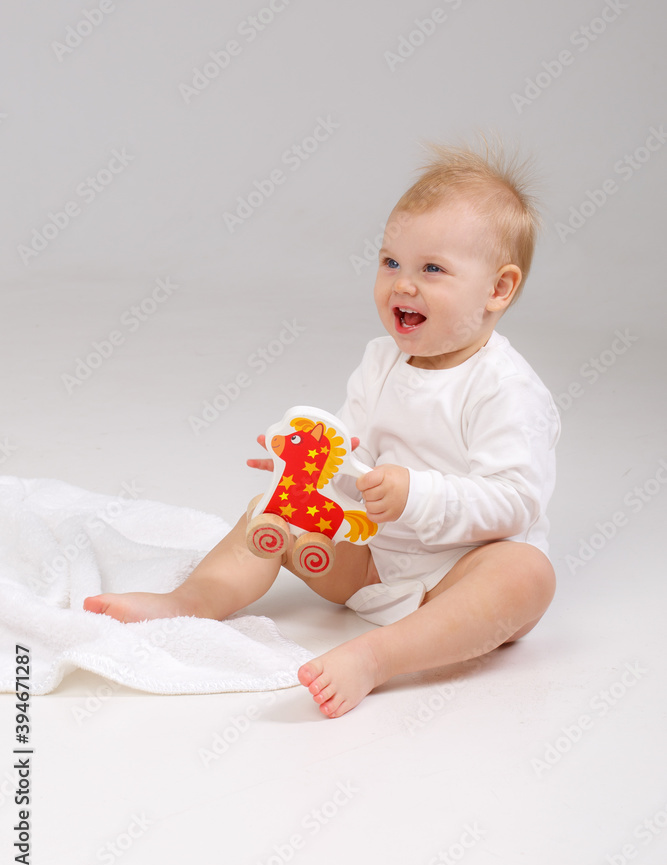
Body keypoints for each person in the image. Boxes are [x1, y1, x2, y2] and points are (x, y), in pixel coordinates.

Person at [84, 136, 560, 719]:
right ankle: (190, 601)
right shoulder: (380, 361)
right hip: (370, 563)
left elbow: (516, 501)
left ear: (498, 289)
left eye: (432, 269)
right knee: (272, 508)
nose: (402, 285)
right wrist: (306, 469)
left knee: (525, 575)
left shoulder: (505, 388)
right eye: (391, 262)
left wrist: (416, 492)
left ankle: (378, 657)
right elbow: (350, 453)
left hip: (455, 576)